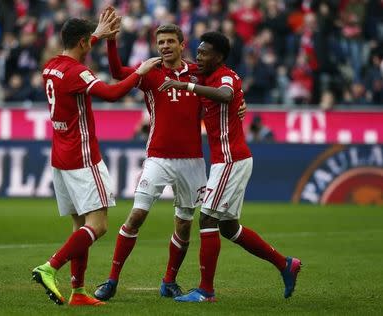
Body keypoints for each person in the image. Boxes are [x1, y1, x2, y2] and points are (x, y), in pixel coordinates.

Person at [94, 9, 246, 301]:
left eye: (169, 42)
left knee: (185, 223)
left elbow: (228, 87)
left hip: (192, 161)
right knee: (136, 216)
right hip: (158, 157)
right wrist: (112, 42)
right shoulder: (150, 71)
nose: (164, 47)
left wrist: (242, 104)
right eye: (160, 42)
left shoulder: (197, 72)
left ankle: (169, 281)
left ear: (181, 43)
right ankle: (111, 280)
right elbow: (116, 74)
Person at [158, 31, 301, 302]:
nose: (198, 57)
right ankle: (286, 264)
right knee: (228, 227)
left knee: (207, 218)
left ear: (219, 57)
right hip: (226, 160)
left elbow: (225, 94)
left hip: (231, 159)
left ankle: (206, 291)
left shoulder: (226, 76)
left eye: (204, 53)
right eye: (197, 52)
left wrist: (186, 87)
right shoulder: (203, 76)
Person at [31, 11, 161, 307]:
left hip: (60, 158)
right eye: (88, 42)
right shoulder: (78, 73)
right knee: (99, 225)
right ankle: (50, 267)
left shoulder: (51, 67)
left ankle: (78, 292)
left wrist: (98, 35)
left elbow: (78, 50)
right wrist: (139, 72)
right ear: (81, 42)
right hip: (83, 157)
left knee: (81, 228)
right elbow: (113, 93)